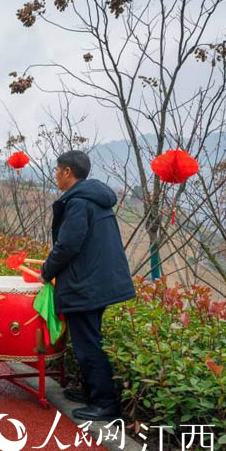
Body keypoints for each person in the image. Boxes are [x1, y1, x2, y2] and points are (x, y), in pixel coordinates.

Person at [39, 151, 134, 421]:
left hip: (87, 285)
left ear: (68, 171)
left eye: (58, 170)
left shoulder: (79, 203)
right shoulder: (94, 199)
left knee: (87, 343)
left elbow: (68, 245)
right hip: (97, 281)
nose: (55, 175)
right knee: (87, 339)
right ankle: (93, 392)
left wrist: (46, 272)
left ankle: (105, 403)